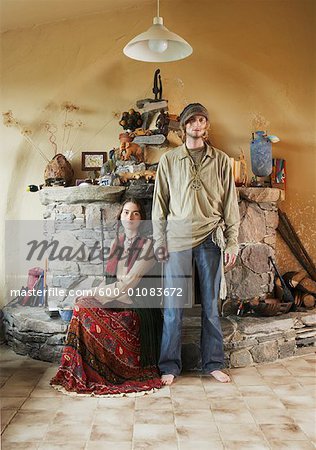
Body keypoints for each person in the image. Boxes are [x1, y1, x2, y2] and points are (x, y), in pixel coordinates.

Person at [152, 103, 240, 385]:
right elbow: (159, 206)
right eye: (192, 120)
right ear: (184, 127)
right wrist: (159, 241)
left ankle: (213, 363)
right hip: (176, 240)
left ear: (207, 126)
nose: (197, 125)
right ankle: (169, 366)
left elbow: (230, 205)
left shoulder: (222, 161)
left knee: (211, 306)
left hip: (211, 239)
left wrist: (232, 242)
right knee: (173, 307)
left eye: (202, 120)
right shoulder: (168, 161)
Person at [51, 198, 163, 396]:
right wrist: (90, 293)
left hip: (138, 304)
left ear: (142, 219)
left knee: (86, 306)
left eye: (135, 213)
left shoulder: (148, 246)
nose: (130, 217)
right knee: (81, 305)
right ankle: (83, 369)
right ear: (120, 217)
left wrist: (95, 293)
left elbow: (128, 283)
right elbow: (109, 281)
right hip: (117, 296)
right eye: (126, 212)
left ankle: (107, 371)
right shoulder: (117, 243)